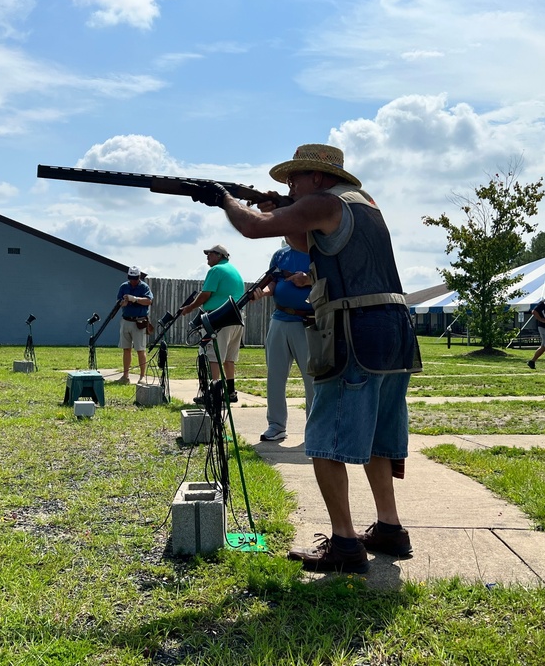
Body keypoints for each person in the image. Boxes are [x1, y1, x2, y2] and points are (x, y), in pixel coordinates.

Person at [188, 143, 422, 573]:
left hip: (354, 328)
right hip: (394, 326)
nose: (290, 184)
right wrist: (278, 207)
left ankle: (345, 544)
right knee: (378, 438)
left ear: (317, 177)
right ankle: (389, 527)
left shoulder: (322, 202)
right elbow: (307, 242)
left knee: (324, 441)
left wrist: (225, 198)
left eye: (295, 178)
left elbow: (253, 228)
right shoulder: (364, 205)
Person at [251, 244, 315, 441]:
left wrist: (308, 280)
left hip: (309, 322)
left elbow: (332, 280)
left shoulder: (319, 251)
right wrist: (263, 291)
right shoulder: (280, 254)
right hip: (279, 318)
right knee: (275, 376)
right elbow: (274, 282)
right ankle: (276, 425)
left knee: (312, 379)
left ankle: (315, 429)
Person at [179, 244, 245, 402]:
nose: (207, 256)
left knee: (214, 356)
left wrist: (189, 307)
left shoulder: (215, 270)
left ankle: (213, 393)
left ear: (220, 255)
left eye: (211, 253)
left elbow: (205, 294)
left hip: (219, 318)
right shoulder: (234, 271)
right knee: (229, 358)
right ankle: (230, 392)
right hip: (236, 317)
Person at [117, 266, 153, 384]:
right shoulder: (124, 286)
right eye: (131, 278)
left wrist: (135, 299)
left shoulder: (144, 287)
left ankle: (142, 376)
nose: (133, 281)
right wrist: (124, 302)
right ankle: (125, 376)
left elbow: (148, 301)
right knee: (126, 349)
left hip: (139, 322)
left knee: (140, 349)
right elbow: (118, 303)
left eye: (135, 278)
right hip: (126, 320)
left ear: (138, 277)